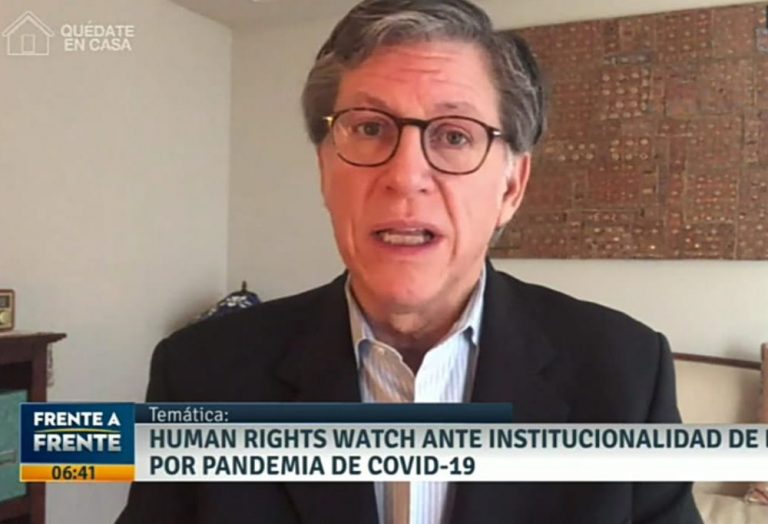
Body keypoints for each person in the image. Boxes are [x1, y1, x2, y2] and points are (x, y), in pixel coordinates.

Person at [117, 0, 703, 522]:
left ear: (511, 187)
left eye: (454, 136)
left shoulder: (626, 372)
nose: (404, 176)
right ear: (325, 170)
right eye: (370, 128)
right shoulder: (199, 373)